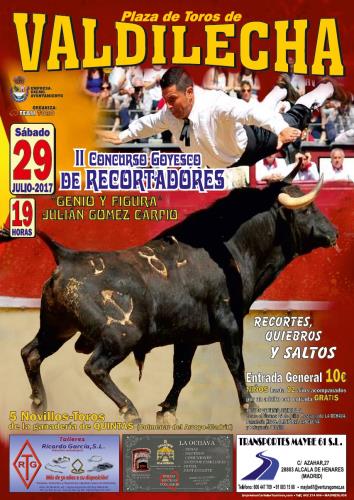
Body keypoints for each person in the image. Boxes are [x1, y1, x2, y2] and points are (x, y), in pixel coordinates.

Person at [98, 67, 341, 169]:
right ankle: (279, 91)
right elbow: (142, 126)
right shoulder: (169, 113)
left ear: (190, 93)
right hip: (228, 160)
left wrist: (279, 128)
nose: (168, 106)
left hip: (248, 147)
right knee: (267, 116)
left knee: (295, 117)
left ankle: (324, 89)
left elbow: (249, 112)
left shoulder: (214, 104)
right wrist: (118, 136)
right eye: (166, 100)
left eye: (173, 99)